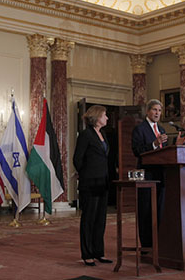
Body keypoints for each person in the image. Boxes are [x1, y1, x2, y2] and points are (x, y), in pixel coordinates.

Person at [73, 105, 113, 266]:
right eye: (105, 115)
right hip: (89, 183)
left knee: (100, 218)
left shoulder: (102, 133)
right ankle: (87, 253)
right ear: (97, 117)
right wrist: (86, 175)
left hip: (102, 182)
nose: (107, 118)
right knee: (89, 218)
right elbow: (77, 159)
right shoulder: (85, 135)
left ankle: (98, 252)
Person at [131, 99, 168, 251]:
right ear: (148, 111)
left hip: (161, 175)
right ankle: (147, 245)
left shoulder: (162, 129)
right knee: (146, 210)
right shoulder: (139, 129)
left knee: (160, 210)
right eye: (154, 110)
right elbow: (137, 150)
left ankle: (159, 242)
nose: (157, 113)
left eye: (159, 110)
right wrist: (154, 143)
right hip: (147, 175)